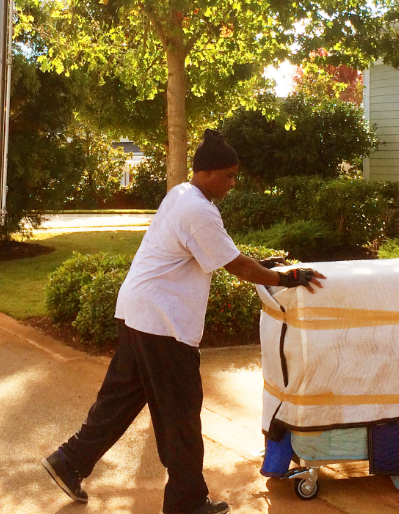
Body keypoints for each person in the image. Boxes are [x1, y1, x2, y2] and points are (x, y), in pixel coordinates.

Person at [43, 129, 325, 514]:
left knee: (119, 400)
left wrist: (264, 265)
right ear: (206, 172)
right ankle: (186, 501)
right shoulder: (198, 210)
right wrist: (284, 278)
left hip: (140, 314)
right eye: (228, 176)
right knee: (181, 413)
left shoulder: (182, 195)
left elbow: (220, 253)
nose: (233, 183)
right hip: (163, 325)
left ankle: (69, 461)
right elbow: (236, 265)